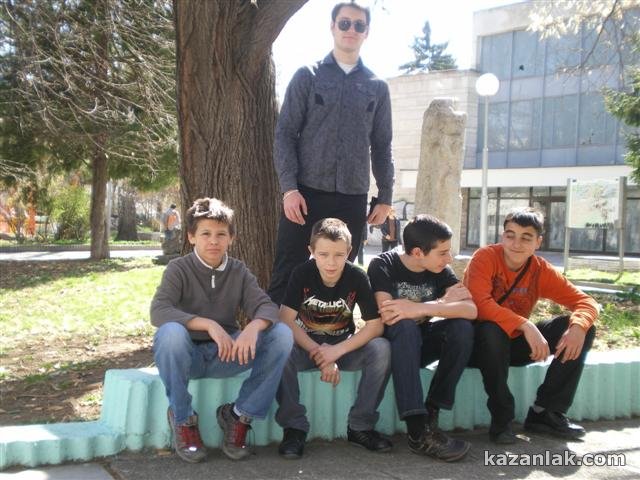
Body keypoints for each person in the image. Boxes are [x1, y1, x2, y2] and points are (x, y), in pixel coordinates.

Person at [268, 1, 395, 305]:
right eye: (345, 23)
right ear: (333, 27)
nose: (351, 29)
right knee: (288, 270)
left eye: (359, 25)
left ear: (366, 32)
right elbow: (285, 134)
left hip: (352, 196)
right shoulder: (307, 76)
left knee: (341, 275)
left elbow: (382, 144)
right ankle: (277, 334)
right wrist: (289, 189)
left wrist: (385, 196)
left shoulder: (377, 87)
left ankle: (332, 333)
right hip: (305, 194)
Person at [150, 197, 293, 463]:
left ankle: (238, 416)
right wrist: (207, 324)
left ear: (231, 239)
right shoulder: (178, 268)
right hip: (187, 357)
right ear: (191, 237)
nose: (213, 241)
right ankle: (183, 418)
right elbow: (158, 311)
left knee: (281, 334)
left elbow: (267, 307)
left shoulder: (238, 271)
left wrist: (253, 327)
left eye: (221, 234)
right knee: (169, 333)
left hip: (227, 354)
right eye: (205, 234)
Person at [463, 207, 598, 444]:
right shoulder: (485, 258)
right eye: (510, 235)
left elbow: (586, 302)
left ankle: (545, 412)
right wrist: (525, 325)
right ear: (503, 235)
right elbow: (480, 305)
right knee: (492, 329)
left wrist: (578, 327)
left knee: (581, 328)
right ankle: (502, 418)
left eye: (526, 238)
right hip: (477, 347)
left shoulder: (539, 269)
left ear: (538, 242)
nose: (516, 244)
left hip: (513, 346)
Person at [275, 218, 392, 459]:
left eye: (339, 255)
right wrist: (320, 354)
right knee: (279, 347)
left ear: (349, 252)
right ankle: (294, 428)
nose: (331, 262)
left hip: (342, 348)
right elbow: (285, 319)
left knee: (381, 348)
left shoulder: (357, 277)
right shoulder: (302, 273)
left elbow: (375, 326)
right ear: (311, 251)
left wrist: (336, 352)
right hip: (305, 348)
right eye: (323, 254)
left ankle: (360, 426)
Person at [367, 215, 476, 462]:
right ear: (418, 252)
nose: (449, 259)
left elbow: (471, 310)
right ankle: (417, 431)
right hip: (394, 348)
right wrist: (442, 303)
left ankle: (432, 410)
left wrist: (420, 307)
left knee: (461, 328)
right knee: (404, 326)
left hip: (421, 345)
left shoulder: (440, 269)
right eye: (443, 253)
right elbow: (389, 314)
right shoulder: (383, 265)